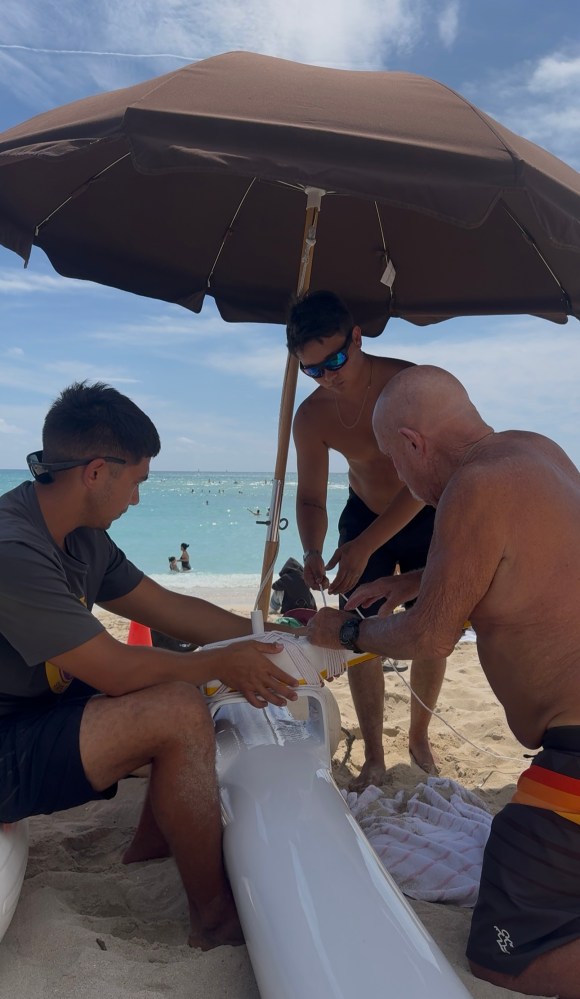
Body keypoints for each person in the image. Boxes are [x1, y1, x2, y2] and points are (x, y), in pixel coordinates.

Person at [306, 364, 580, 998]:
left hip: (574, 758)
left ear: (412, 442)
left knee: (504, 953)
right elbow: (516, 562)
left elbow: (429, 637)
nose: (400, 482)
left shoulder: (474, 486)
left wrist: (343, 635)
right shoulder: (536, 451)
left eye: (396, 466)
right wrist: (412, 582)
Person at [0, 382, 300, 951]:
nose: (137, 499)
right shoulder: (12, 547)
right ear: (95, 472)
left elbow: (170, 608)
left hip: (32, 710)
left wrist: (276, 637)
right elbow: (114, 671)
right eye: (137, 481)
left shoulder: (84, 537)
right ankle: (214, 919)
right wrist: (219, 663)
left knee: (188, 680)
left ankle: (150, 845)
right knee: (181, 708)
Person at [287, 290, 445, 788]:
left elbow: (423, 486)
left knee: (431, 628)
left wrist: (364, 546)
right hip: (363, 515)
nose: (328, 375)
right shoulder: (312, 417)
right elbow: (312, 497)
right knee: (356, 630)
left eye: (335, 359)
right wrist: (313, 549)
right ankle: (374, 755)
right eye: (312, 369)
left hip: (423, 508)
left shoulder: (406, 384)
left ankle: (419, 734)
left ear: (357, 337)